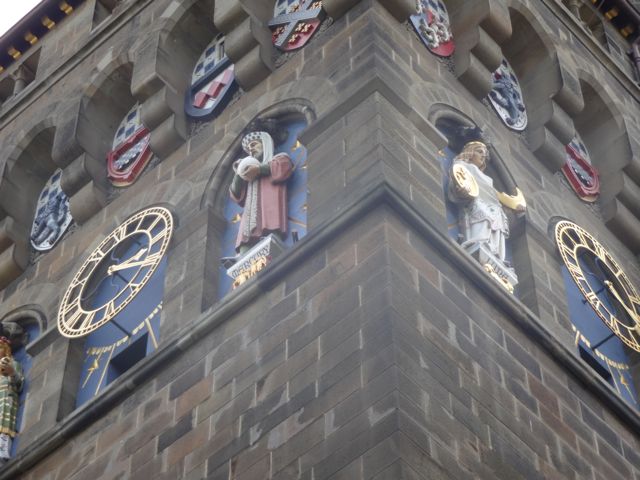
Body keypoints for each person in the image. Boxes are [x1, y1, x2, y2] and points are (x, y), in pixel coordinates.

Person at [448, 140, 525, 264]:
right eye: (479, 152)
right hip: (475, 203)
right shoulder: (463, 166)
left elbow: (495, 197)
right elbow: (458, 182)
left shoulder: (488, 179)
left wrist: (513, 207)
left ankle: (496, 255)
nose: (483, 156)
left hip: (493, 207)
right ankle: (478, 242)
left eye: (484, 154)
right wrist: (461, 190)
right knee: (483, 213)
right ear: (470, 153)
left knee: (498, 223)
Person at [229, 131, 294, 255]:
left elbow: (283, 168)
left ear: (265, 144)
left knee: (270, 221)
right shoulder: (248, 177)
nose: (251, 150)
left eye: (254, 144)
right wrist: (239, 174)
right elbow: (235, 193)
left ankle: (273, 240)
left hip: (270, 202)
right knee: (246, 233)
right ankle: (244, 253)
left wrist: (259, 169)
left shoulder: (279, 158)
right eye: (248, 149)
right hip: (250, 211)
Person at [0, 337, 23, 465]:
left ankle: (1, 452)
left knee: (3, 426)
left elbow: (19, 383)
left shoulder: (13, 364)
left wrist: (11, 373)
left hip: (6, 395)